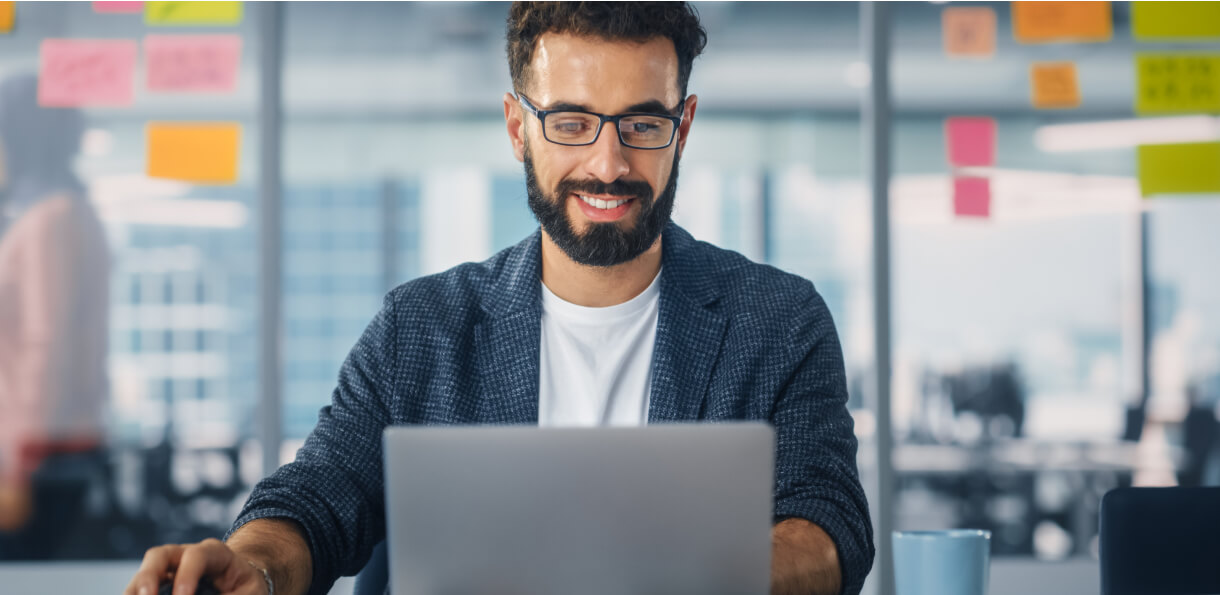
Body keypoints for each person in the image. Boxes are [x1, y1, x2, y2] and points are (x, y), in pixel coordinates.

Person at [126, 3, 874, 594]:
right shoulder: (421, 327)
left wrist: (678, 578)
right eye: (572, 122)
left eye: (643, 124)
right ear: (519, 128)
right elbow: (320, 497)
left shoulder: (778, 320)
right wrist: (252, 567)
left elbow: (829, 522)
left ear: (683, 127)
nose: (608, 164)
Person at [0, 73, 110, 557]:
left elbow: (45, 346)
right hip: (43, 454)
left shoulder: (52, 220)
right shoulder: (60, 212)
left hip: (39, 461)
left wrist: (18, 464)